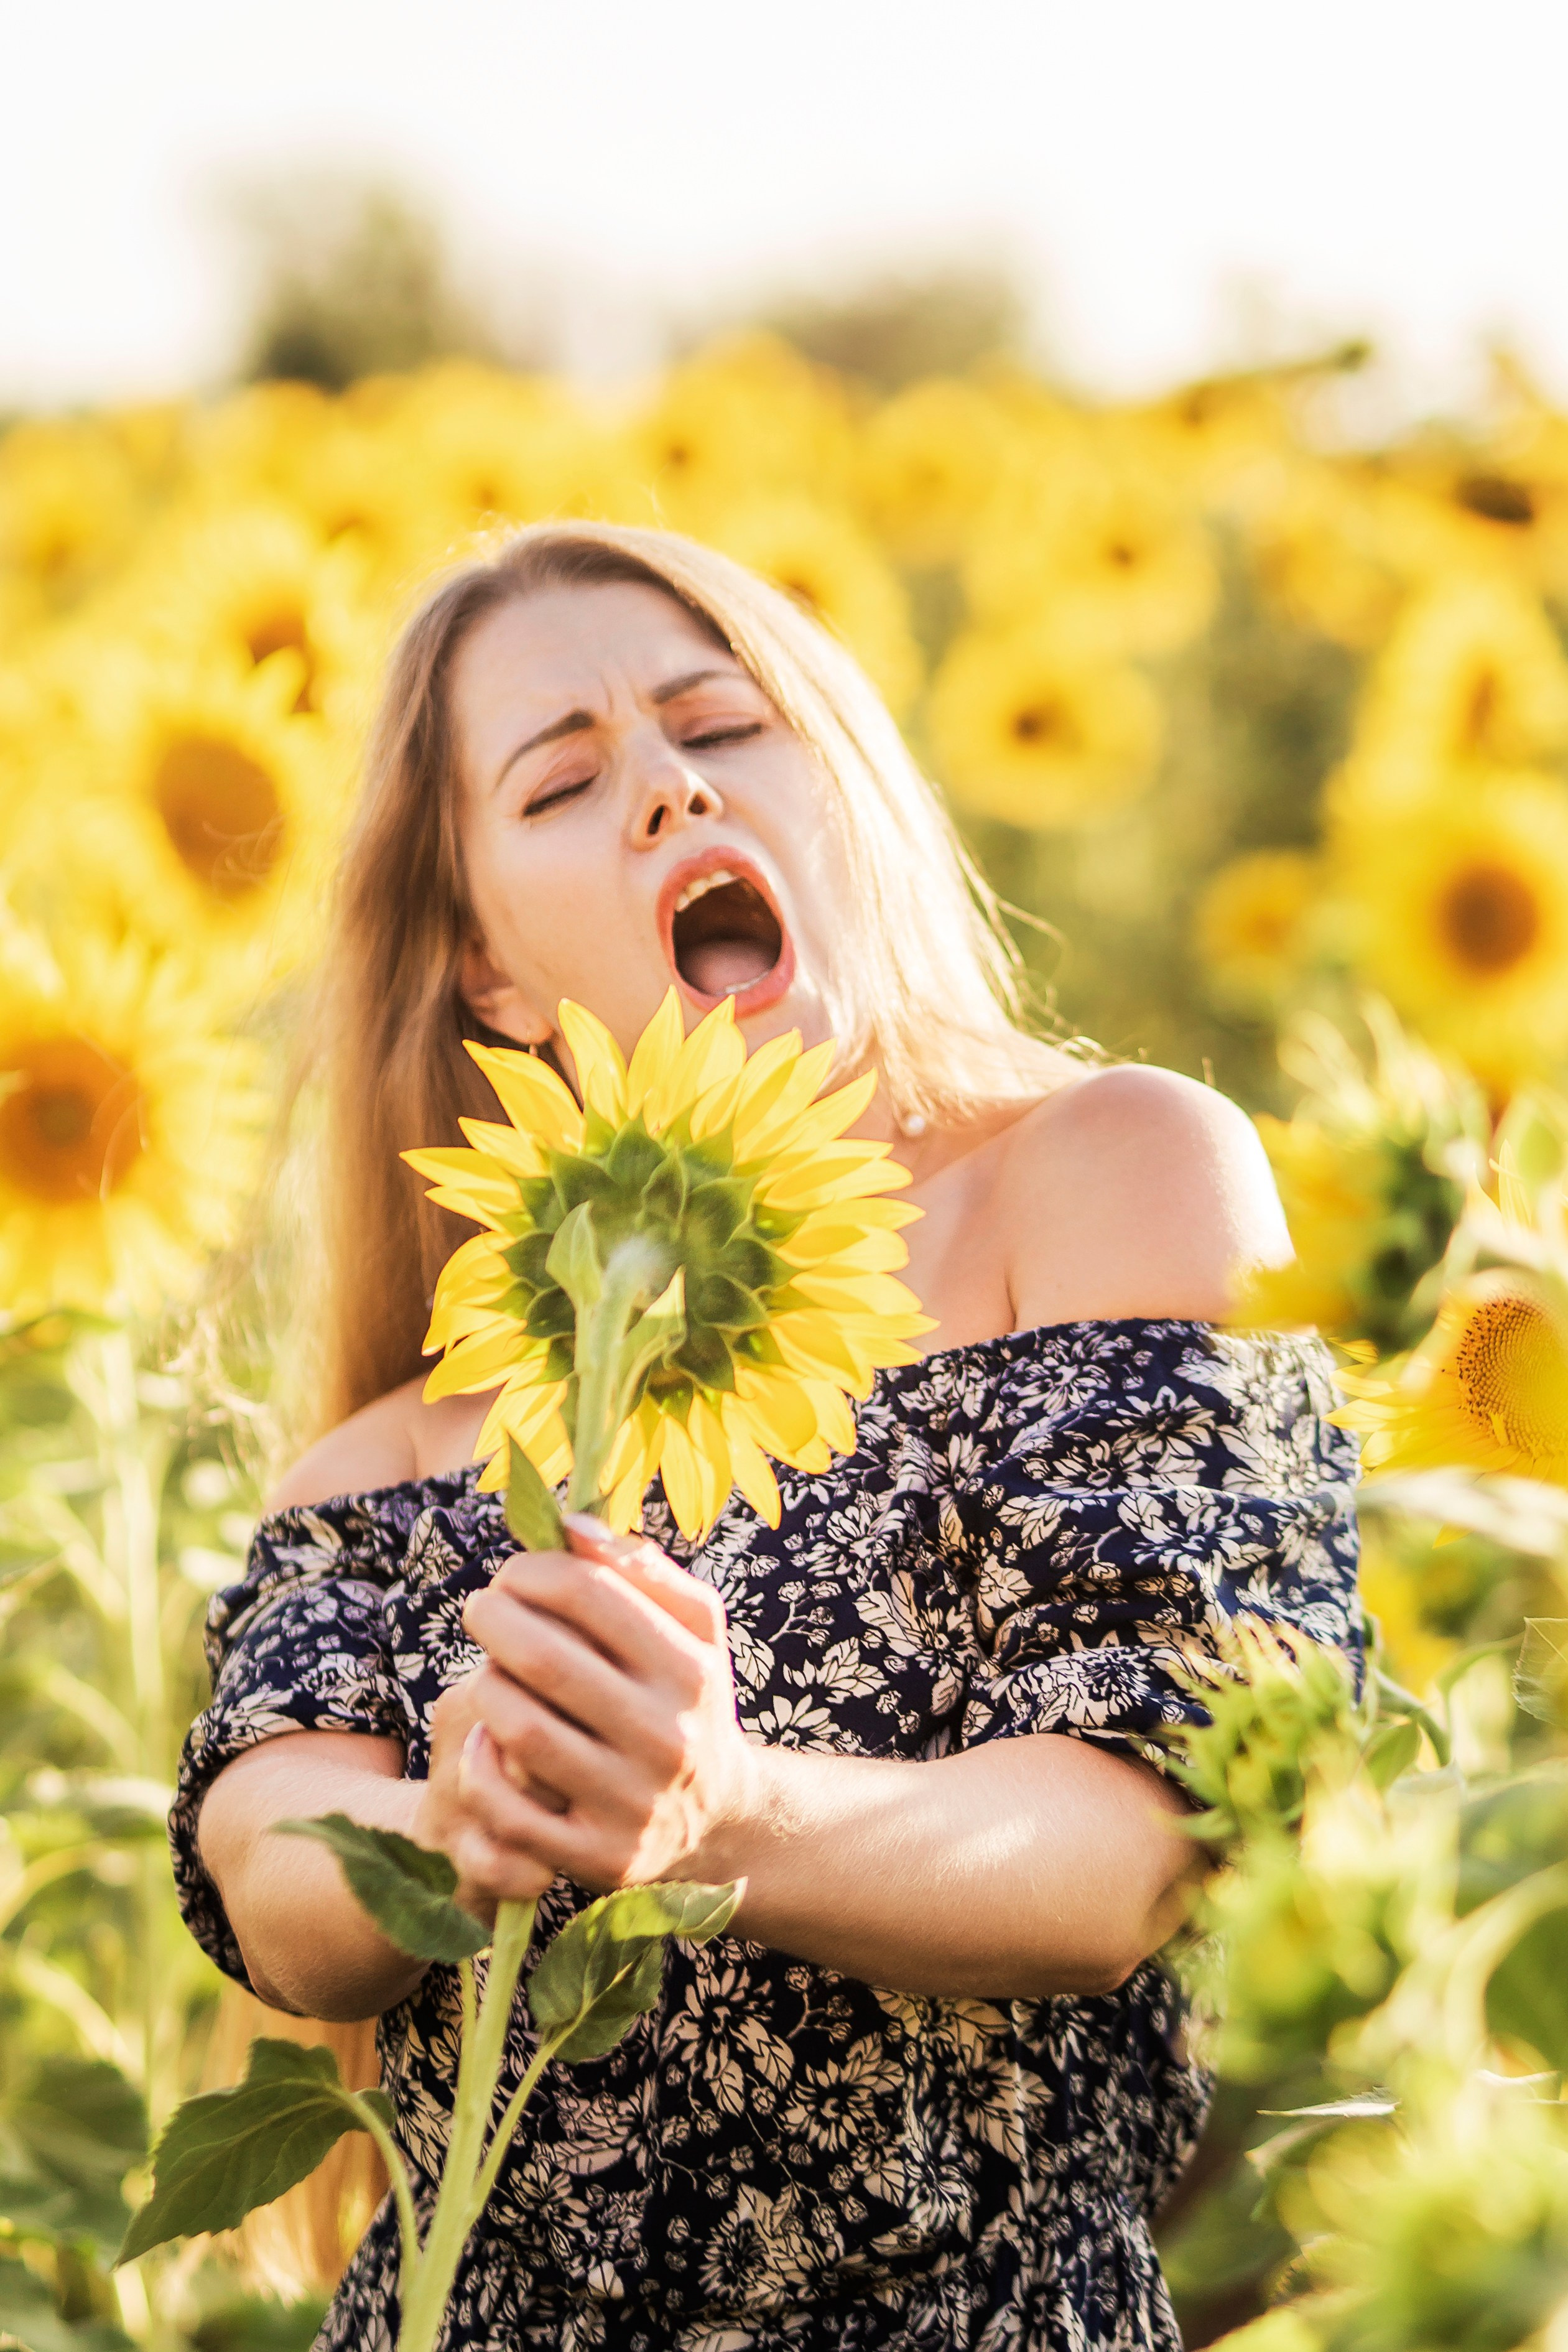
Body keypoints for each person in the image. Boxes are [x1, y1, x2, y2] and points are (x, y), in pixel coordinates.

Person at [172, 522, 1360, 2352]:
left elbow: (1145, 1832)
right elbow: (270, 1860)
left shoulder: (1110, 1176)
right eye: (561, 779)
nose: (667, 786)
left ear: (837, 792)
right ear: (487, 971)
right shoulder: (400, 1452)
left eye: (722, 725)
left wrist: (720, 1812)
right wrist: (443, 1825)